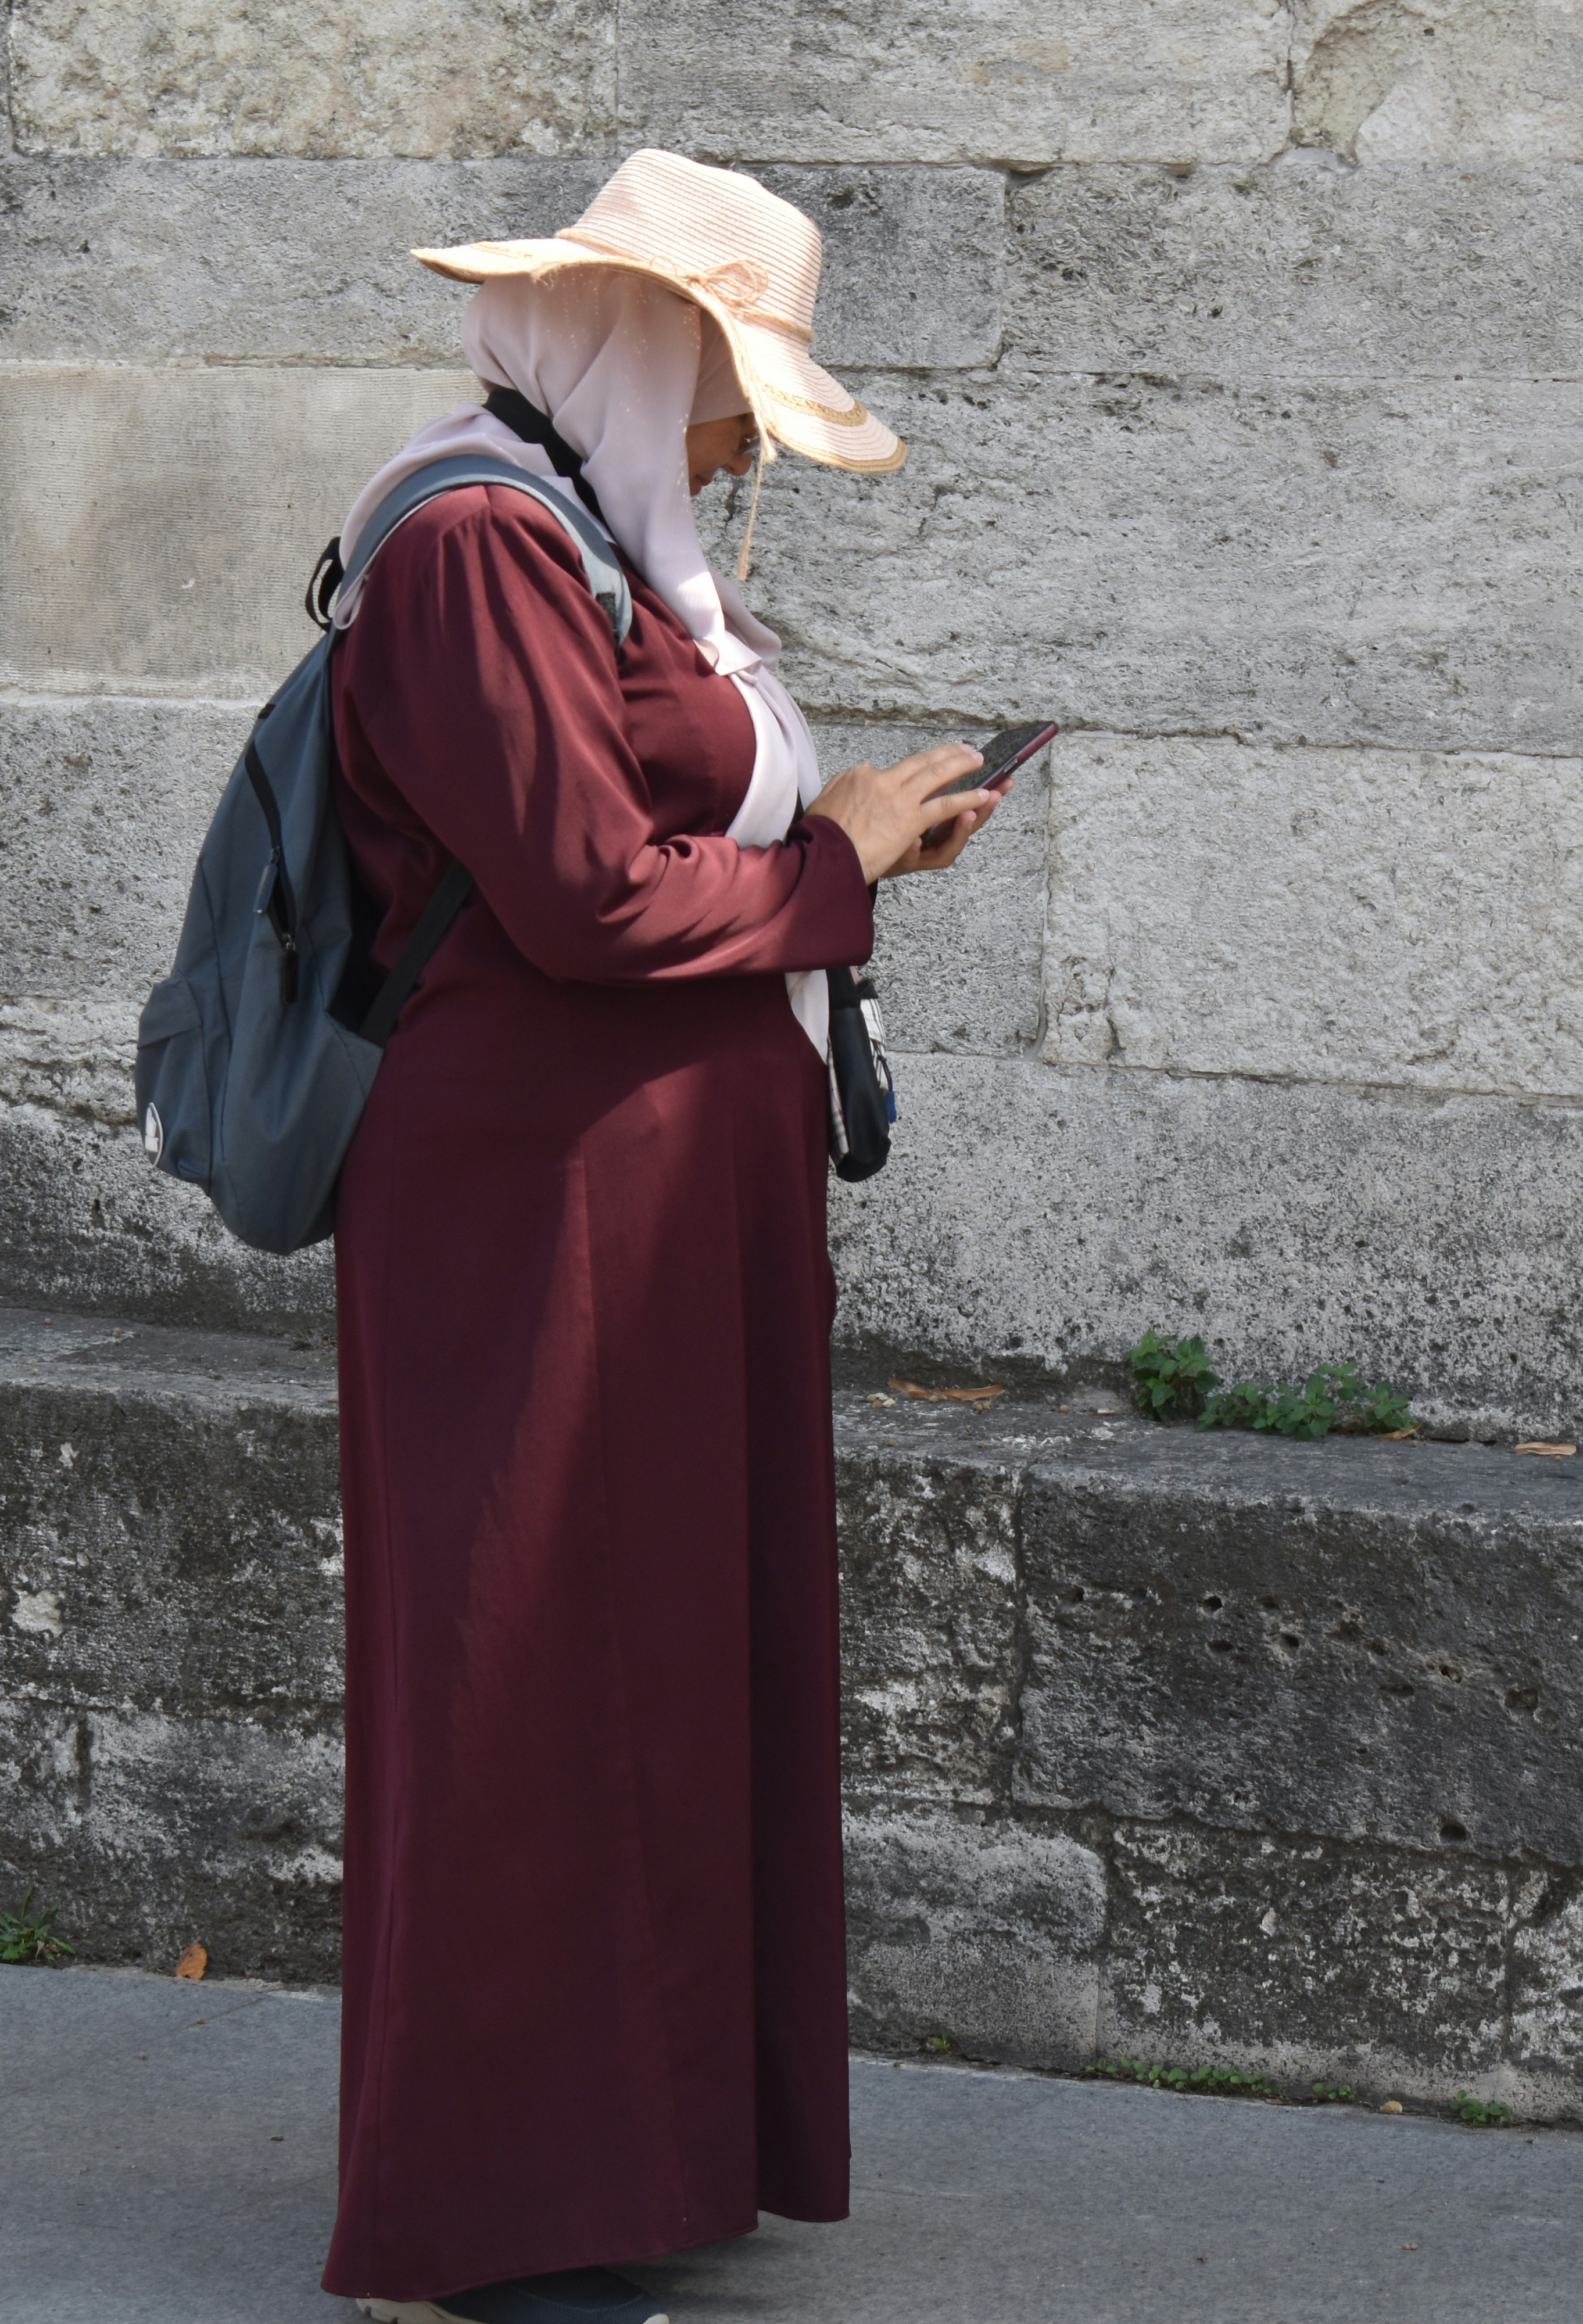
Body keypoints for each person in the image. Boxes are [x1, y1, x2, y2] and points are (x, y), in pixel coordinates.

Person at [320, 151, 1000, 2324]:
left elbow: (637, 850)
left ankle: (638, 2146)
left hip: (650, 1190)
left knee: (667, 1656)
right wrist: (852, 851)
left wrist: (846, 845)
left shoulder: (591, 552)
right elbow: (587, 896)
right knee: (533, 1665)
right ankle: (483, 2212)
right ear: (640, 350)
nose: (732, 442)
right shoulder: (471, 552)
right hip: (537, 1205)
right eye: (727, 392)